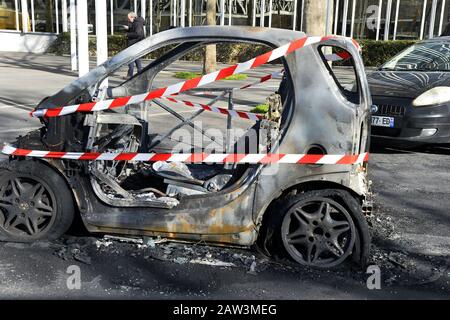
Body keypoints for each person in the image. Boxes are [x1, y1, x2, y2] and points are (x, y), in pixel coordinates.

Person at [124, 12, 145, 78]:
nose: (128, 19)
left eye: (128, 18)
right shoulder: (136, 23)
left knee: (131, 59)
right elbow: (136, 32)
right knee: (136, 59)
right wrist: (128, 29)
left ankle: (130, 75)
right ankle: (140, 73)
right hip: (136, 43)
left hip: (134, 44)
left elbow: (137, 33)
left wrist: (128, 34)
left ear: (132, 17)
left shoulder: (137, 23)